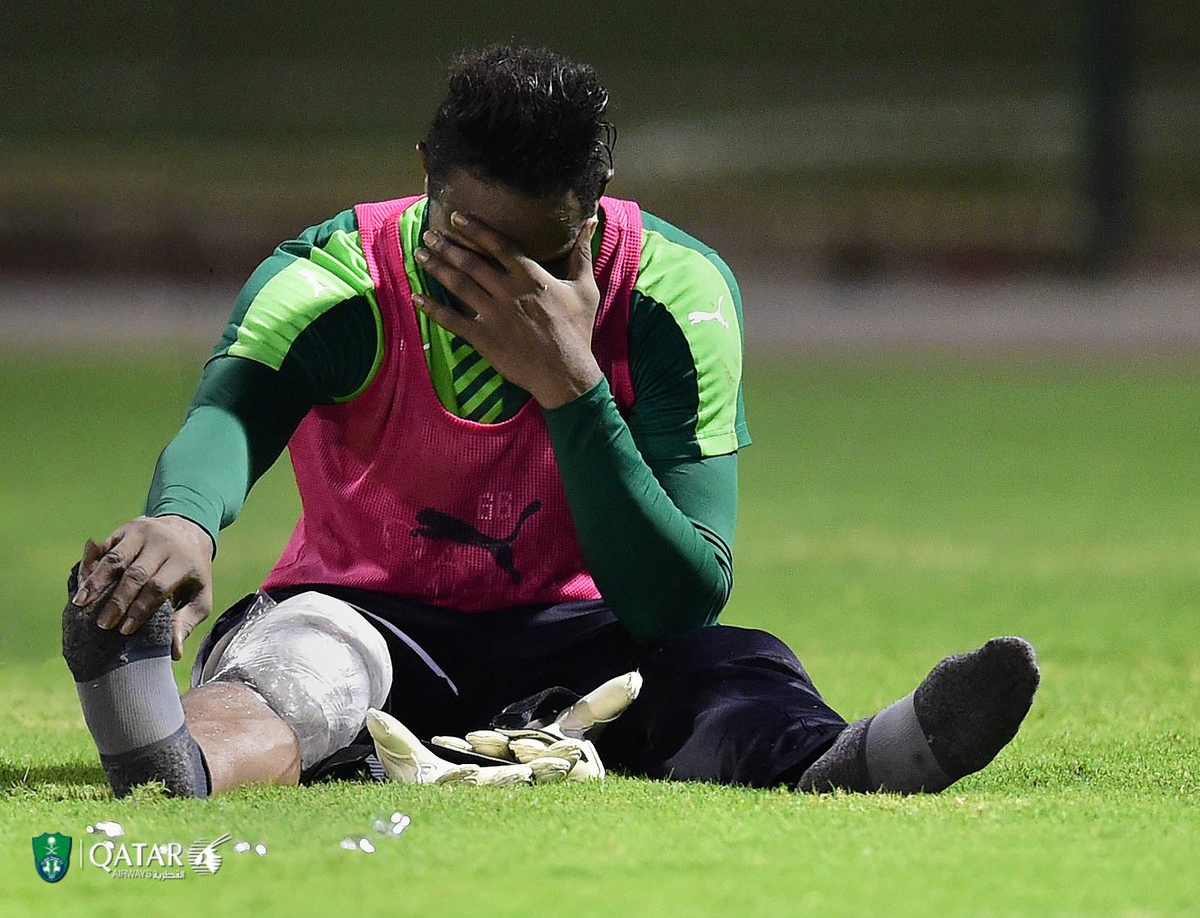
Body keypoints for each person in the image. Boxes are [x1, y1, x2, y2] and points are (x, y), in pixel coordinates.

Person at [64, 45, 1039, 799]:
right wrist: (183, 521)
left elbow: (677, 598)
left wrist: (572, 386)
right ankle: (167, 755)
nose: (495, 282)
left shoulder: (675, 290)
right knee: (298, 662)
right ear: (425, 182)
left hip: (589, 640)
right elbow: (230, 413)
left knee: (735, 665)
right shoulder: (336, 277)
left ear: (591, 211)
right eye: (464, 242)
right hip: (362, 618)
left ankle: (856, 762)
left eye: (532, 252)